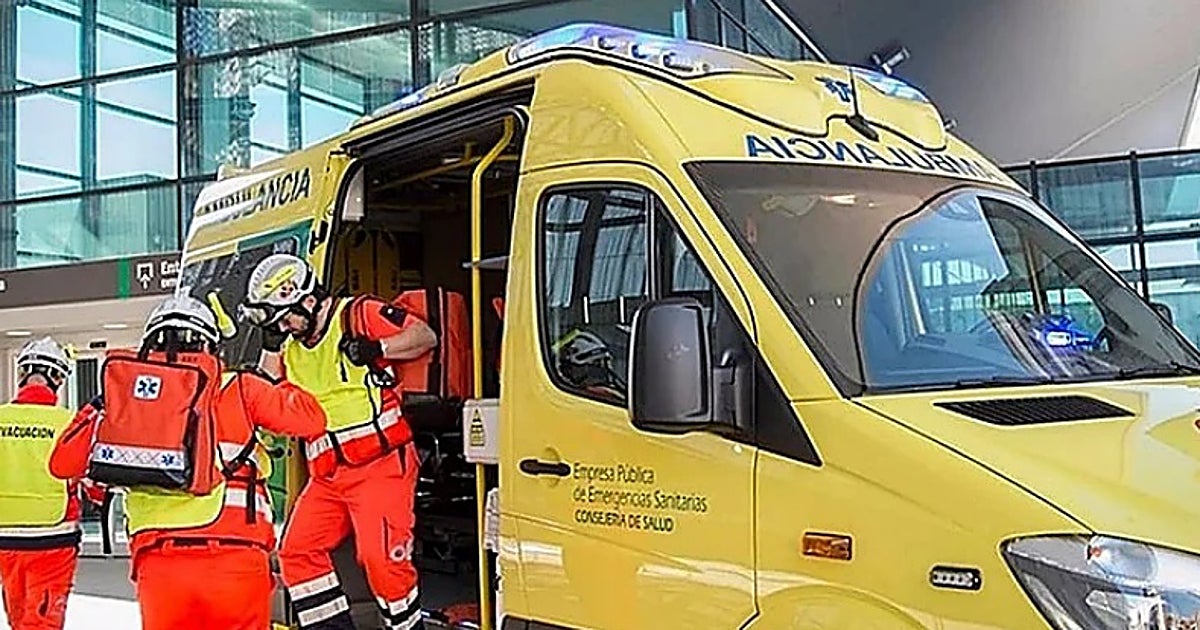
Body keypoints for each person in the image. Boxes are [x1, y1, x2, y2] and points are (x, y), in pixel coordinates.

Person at [48, 294, 328, 630]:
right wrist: (277, 378)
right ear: (211, 344)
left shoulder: (126, 400)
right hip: (236, 561)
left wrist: (102, 403)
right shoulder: (238, 387)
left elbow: (62, 464)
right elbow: (312, 420)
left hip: (160, 567)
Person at [240, 253, 437, 630]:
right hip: (329, 477)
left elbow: (425, 336)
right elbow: (265, 393)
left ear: (307, 299)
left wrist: (377, 350)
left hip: (381, 467)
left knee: (382, 560)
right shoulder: (290, 346)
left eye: (285, 318)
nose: (284, 327)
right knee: (296, 551)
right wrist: (269, 343)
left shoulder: (358, 315)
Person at [0, 336, 95, 630]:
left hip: (4, 538)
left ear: (23, 375)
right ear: (57, 378)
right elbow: (92, 483)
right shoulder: (71, 423)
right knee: (42, 622)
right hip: (53, 538)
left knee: (18, 620)